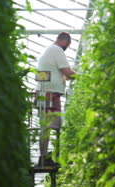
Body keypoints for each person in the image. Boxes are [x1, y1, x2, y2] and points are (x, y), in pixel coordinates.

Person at [36, 32, 77, 167]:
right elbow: (68, 72)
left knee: (45, 126)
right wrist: (86, 77)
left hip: (43, 91)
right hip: (50, 93)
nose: (67, 48)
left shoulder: (48, 51)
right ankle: (44, 158)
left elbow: (63, 75)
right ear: (65, 41)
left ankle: (44, 157)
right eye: (68, 45)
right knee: (50, 126)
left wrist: (69, 77)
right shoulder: (57, 50)